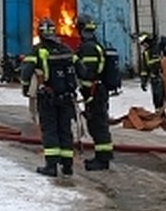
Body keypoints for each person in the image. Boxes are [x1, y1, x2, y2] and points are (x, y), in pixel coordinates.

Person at [33, 18, 79, 177]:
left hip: (48, 97)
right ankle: (67, 166)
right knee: (65, 130)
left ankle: (51, 166)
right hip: (67, 97)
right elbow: (81, 69)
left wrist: (28, 88)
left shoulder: (39, 50)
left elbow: (26, 72)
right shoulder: (66, 49)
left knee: (50, 130)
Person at [74, 16, 114, 170]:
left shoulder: (89, 48)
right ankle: (102, 157)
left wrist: (75, 64)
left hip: (94, 92)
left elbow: (89, 73)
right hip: (95, 92)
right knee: (97, 124)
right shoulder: (92, 45)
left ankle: (102, 160)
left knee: (98, 125)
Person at [139, 33, 166, 132]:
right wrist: (144, 81)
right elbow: (145, 68)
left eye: (144, 43)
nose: (143, 46)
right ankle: (162, 121)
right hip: (155, 80)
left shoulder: (161, 49)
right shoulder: (146, 53)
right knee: (158, 102)